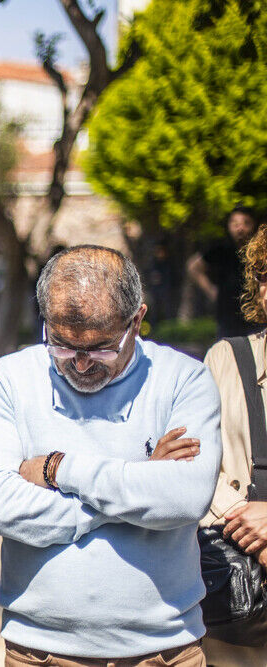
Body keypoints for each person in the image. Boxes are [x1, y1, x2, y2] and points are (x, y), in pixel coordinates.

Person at [0, 245, 221, 666]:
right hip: (41, 652)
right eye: (64, 346)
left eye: (102, 348)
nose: (82, 365)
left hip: (164, 651)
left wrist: (58, 468)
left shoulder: (184, 380)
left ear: (137, 320)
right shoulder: (8, 380)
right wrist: (139, 481)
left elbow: (185, 498)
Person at [201, 223, 267, 666]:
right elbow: (197, 465)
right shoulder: (227, 359)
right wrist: (255, 529)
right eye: (263, 274)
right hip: (245, 594)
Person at [188, 205, 261, 338]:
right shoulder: (221, 248)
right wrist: (210, 290)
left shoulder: (260, 251)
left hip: (255, 316)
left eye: (246, 223)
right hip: (227, 316)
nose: (240, 228)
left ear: (253, 225)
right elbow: (194, 266)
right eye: (235, 224)